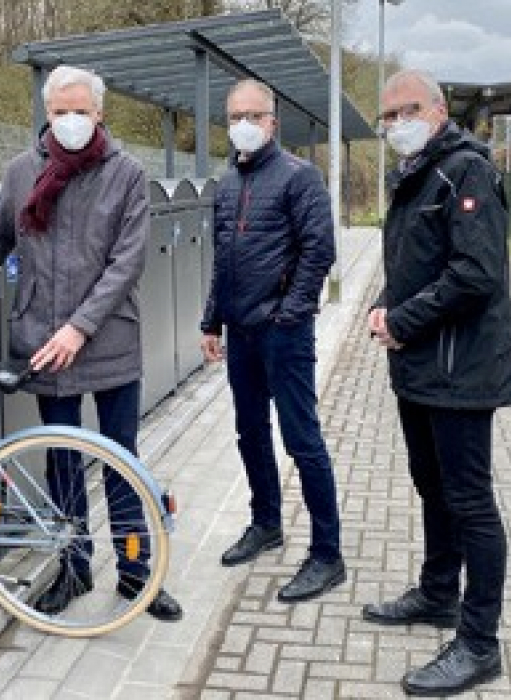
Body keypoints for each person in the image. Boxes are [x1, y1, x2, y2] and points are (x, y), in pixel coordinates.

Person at [0, 65, 182, 623]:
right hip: (43, 345)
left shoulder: (126, 174)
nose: (69, 120)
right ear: (46, 112)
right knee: (63, 462)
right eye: (59, 111)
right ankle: (73, 568)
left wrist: (80, 327)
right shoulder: (22, 172)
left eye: (80, 110)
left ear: (100, 114)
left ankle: (136, 572)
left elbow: (127, 263)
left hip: (108, 341)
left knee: (122, 458)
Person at [362, 68, 511, 696]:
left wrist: (401, 319)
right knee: (432, 488)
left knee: (470, 501)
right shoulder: (416, 174)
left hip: (462, 369)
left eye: (406, 110)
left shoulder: (467, 171)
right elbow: (412, 264)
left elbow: (475, 273)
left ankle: (480, 643)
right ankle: (437, 595)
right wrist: (384, 305)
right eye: (387, 115)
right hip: (420, 366)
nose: (395, 124)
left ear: (436, 110)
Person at [200, 78, 344, 603]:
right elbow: (223, 258)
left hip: (284, 334)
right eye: (235, 115)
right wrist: (210, 321)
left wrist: (289, 314)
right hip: (240, 334)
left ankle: (327, 555)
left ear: (272, 122)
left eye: (253, 115)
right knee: (249, 433)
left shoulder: (300, 177)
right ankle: (266, 523)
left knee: (302, 439)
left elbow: (318, 251)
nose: (243, 124)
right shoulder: (227, 182)